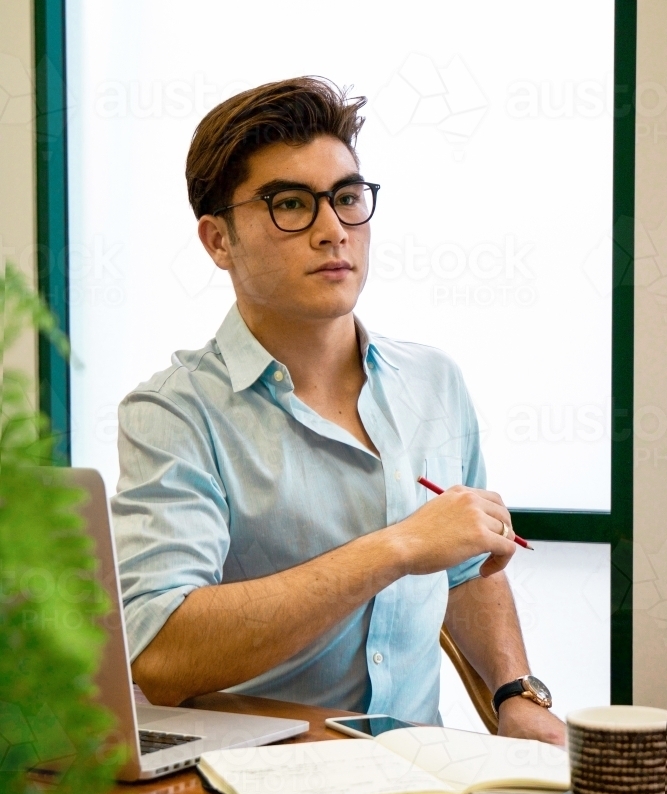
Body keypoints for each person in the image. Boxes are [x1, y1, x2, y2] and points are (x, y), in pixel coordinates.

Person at [111, 76, 565, 745]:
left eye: (348, 198)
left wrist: (513, 692)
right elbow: (164, 656)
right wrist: (398, 547)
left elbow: (465, 572)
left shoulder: (434, 382)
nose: (333, 231)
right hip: (248, 789)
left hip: (422, 782)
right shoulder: (171, 415)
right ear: (217, 241)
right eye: (290, 204)